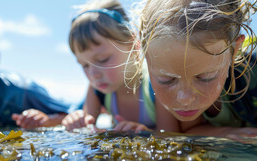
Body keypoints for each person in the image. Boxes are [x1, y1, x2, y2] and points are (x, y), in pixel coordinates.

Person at [135, 0, 257, 138]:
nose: (184, 99)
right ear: (146, 57)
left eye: (205, 77)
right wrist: (224, 134)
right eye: (167, 79)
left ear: (234, 51)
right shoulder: (162, 67)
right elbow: (188, 130)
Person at [62, 0, 178, 132]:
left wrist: (145, 135)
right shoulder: (96, 88)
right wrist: (76, 120)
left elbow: (171, 136)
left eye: (103, 59)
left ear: (133, 45)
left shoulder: (156, 83)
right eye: (84, 65)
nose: (94, 74)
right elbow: (86, 129)